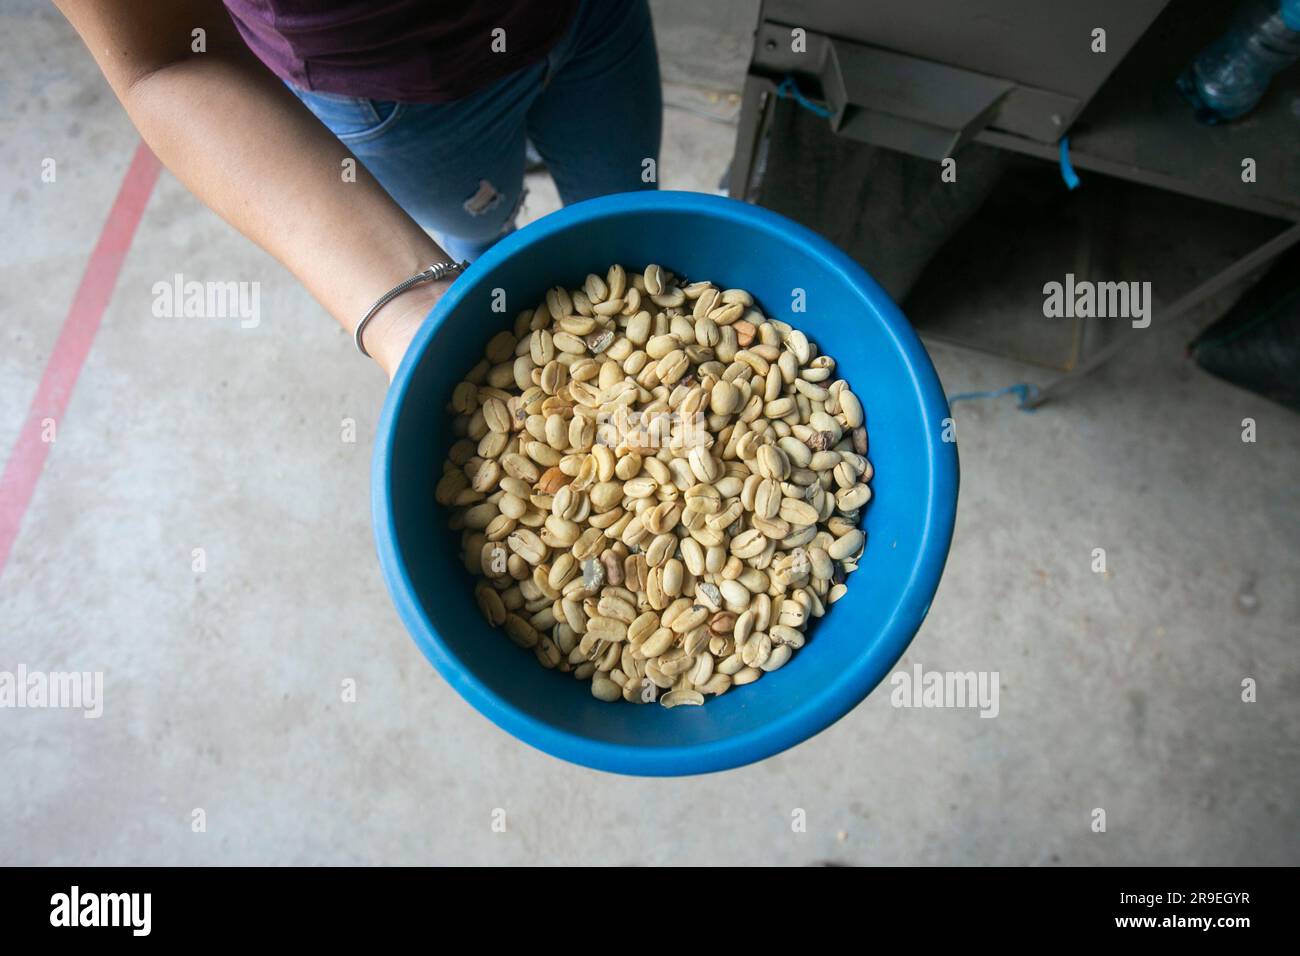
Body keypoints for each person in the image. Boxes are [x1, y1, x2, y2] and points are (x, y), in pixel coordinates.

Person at [53, 0, 662, 378]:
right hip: (401, 96)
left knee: (628, 216)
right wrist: (408, 306)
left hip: (592, 15)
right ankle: (482, 253)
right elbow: (172, 58)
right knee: (482, 228)